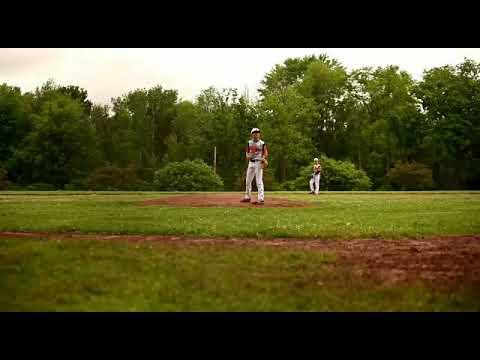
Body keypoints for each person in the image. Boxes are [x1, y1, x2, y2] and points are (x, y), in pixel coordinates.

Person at [241, 128, 268, 205]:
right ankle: (247, 197)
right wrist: (249, 156)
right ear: (252, 134)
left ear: (259, 134)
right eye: (254, 133)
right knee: (248, 180)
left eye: (257, 132)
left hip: (258, 163)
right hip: (251, 163)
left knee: (258, 180)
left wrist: (263, 158)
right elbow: (247, 155)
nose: (256, 134)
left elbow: (266, 152)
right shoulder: (249, 143)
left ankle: (261, 199)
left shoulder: (262, 143)